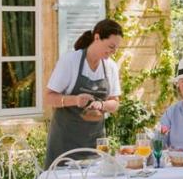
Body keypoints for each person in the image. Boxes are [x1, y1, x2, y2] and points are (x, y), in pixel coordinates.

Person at [43, 19, 124, 168]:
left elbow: (115, 103)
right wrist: (75, 100)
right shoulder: (70, 61)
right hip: (64, 144)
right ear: (97, 37)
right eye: (111, 47)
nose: (113, 52)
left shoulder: (110, 67)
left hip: (95, 144)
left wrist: (102, 104)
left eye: (116, 49)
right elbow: (49, 97)